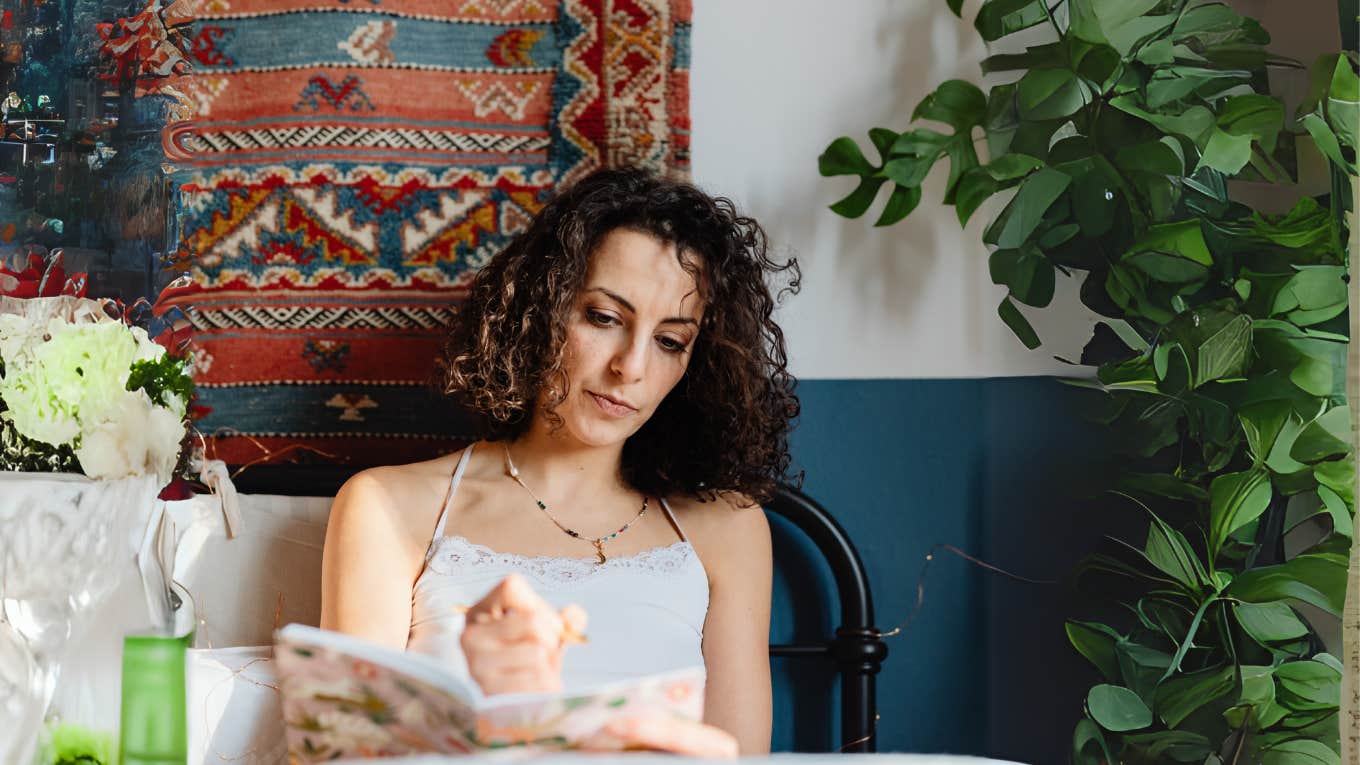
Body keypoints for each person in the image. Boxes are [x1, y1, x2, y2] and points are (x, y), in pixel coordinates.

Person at [319, 167, 801, 756]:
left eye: (670, 341)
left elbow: (741, 760)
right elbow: (341, 753)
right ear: (541, 308)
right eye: (603, 318)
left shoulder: (727, 528)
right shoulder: (390, 507)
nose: (632, 367)